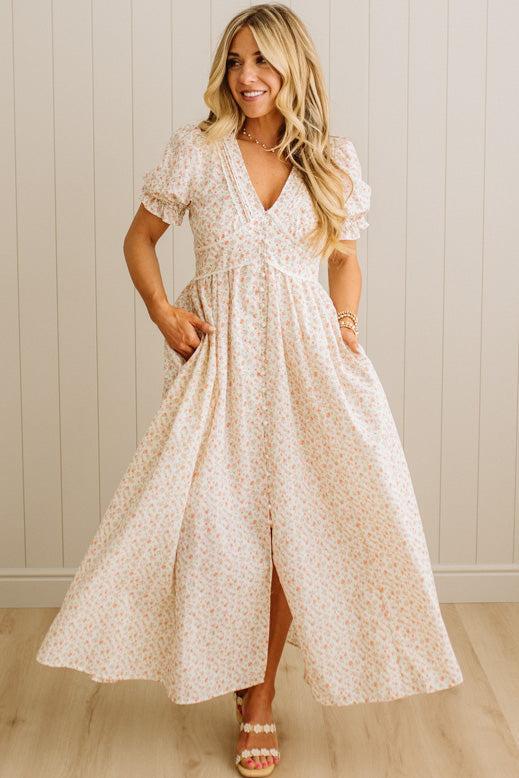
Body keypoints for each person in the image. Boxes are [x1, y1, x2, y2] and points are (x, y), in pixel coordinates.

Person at [36, 4, 463, 776]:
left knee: (298, 526)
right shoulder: (196, 152)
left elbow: (343, 258)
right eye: (235, 61)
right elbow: (138, 238)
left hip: (309, 364)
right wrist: (163, 311)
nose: (247, 77)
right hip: (223, 363)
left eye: (261, 61)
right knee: (215, 521)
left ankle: (258, 699)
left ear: (292, 67)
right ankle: (236, 673)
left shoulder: (331, 159)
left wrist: (345, 318)